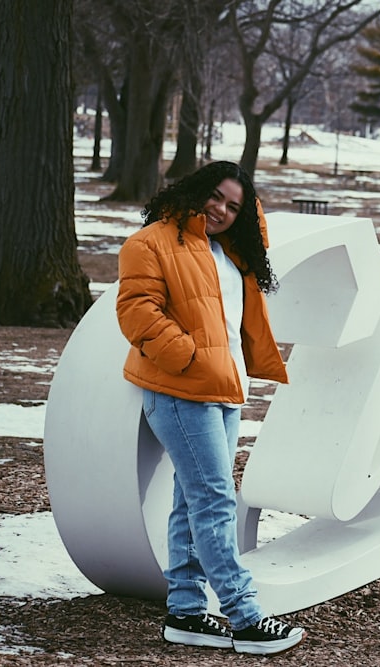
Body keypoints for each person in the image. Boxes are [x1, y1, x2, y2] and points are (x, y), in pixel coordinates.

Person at [116, 161, 305, 656]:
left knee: (190, 500)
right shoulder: (150, 242)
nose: (222, 209)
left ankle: (186, 613)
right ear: (196, 190)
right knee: (216, 500)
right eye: (215, 196)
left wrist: (246, 201)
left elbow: (254, 223)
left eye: (234, 205)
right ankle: (244, 616)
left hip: (226, 390)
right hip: (180, 392)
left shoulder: (231, 252)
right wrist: (187, 357)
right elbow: (136, 310)